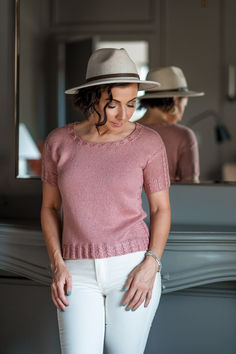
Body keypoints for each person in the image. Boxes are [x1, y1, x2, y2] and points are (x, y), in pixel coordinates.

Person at [40, 48, 171, 354]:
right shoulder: (58, 143)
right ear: (91, 98)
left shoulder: (149, 142)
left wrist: (151, 263)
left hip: (132, 269)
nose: (124, 115)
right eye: (113, 105)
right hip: (76, 272)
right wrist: (57, 266)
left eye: (131, 104)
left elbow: (161, 209)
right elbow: (49, 208)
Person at [138, 66, 204, 183]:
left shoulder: (123, 131)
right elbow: (192, 188)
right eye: (184, 105)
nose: (182, 112)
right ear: (175, 100)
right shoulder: (183, 135)